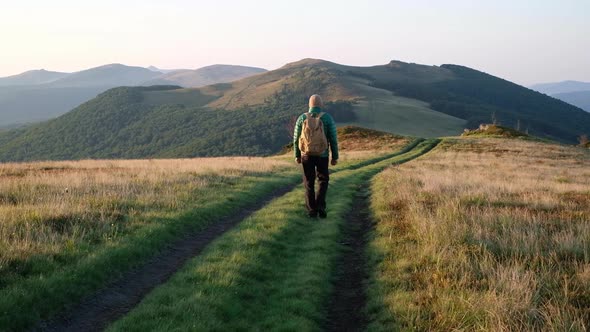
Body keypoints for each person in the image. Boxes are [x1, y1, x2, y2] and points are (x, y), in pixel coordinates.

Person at [293, 94, 339, 218]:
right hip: (322, 155)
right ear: (321, 104)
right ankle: (320, 206)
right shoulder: (327, 118)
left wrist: (297, 155)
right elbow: (333, 139)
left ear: (309, 105)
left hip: (306, 155)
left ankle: (311, 210)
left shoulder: (301, 118)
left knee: (308, 181)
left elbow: (296, 139)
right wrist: (335, 157)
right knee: (323, 180)